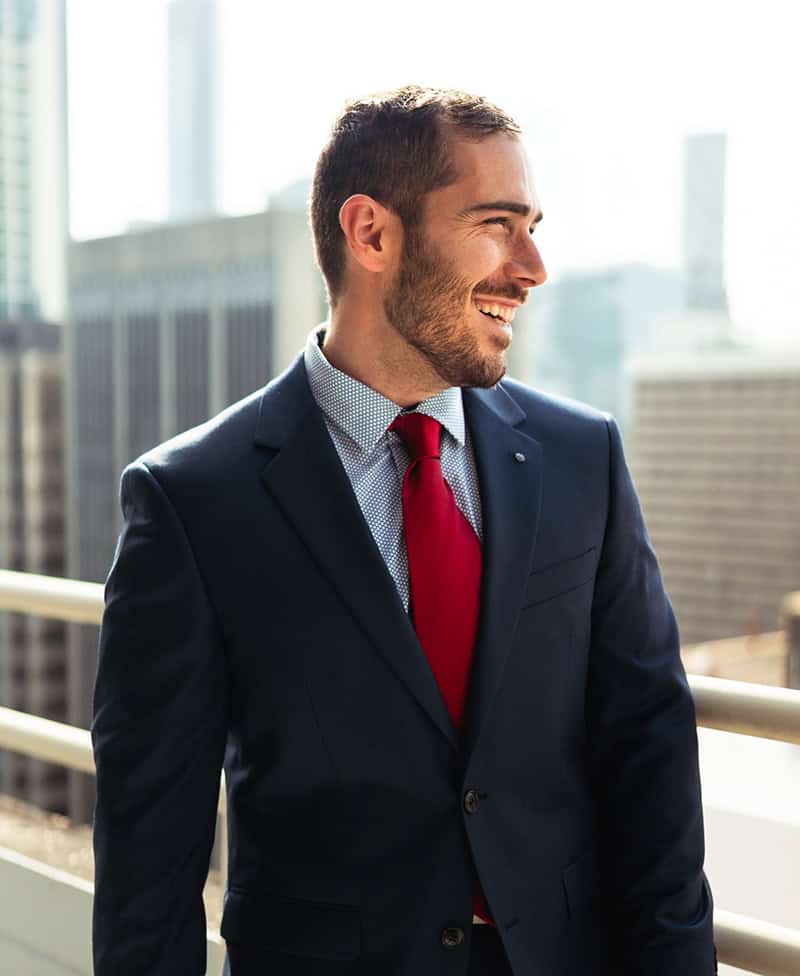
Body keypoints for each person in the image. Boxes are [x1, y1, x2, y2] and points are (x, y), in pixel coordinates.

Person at [91, 85, 717, 975]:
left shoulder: (585, 461)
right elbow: (148, 865)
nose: (532, 265)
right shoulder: (191, 501)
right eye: (497, 223)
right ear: (372, 233)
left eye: (533, 224)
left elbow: (651, 754)